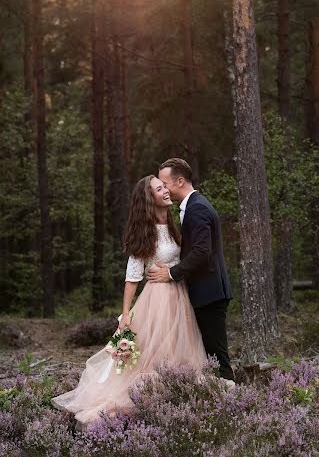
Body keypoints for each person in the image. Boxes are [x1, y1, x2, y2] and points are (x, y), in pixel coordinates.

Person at [52, 175, 206, 428]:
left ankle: (175, 396)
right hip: (157, 300)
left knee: (179, 350)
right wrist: (125, 315)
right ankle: (150, 401)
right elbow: (132, 278)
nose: (166, 191)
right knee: (153, 354)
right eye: (159, 189)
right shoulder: (144, 234)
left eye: (164, 186)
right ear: (149, 199)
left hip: (179, 297)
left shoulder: (174, 224)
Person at [148, 158, 235, 384]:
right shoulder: (192, 206)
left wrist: (171, 273)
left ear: (179, 181)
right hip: (206, 292)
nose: (164, 189)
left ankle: (231, 397)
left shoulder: (197, 209)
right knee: (209, 353)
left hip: (209, 293)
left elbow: (201, 252)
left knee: (217, 356)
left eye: (165, 183)